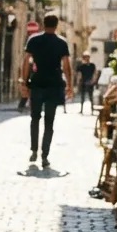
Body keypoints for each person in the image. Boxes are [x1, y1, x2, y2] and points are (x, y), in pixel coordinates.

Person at [20, 13, 72, 168]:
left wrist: (23, 81)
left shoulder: (34, 40)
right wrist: (69, 85)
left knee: (35, 118)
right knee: (49, 121)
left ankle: (34, 150)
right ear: (57, 25)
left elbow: (25, 61)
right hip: (54, 84)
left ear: (43, 24)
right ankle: (45, 155)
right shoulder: (61, 42)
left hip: (37, 83)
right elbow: (66, 66)